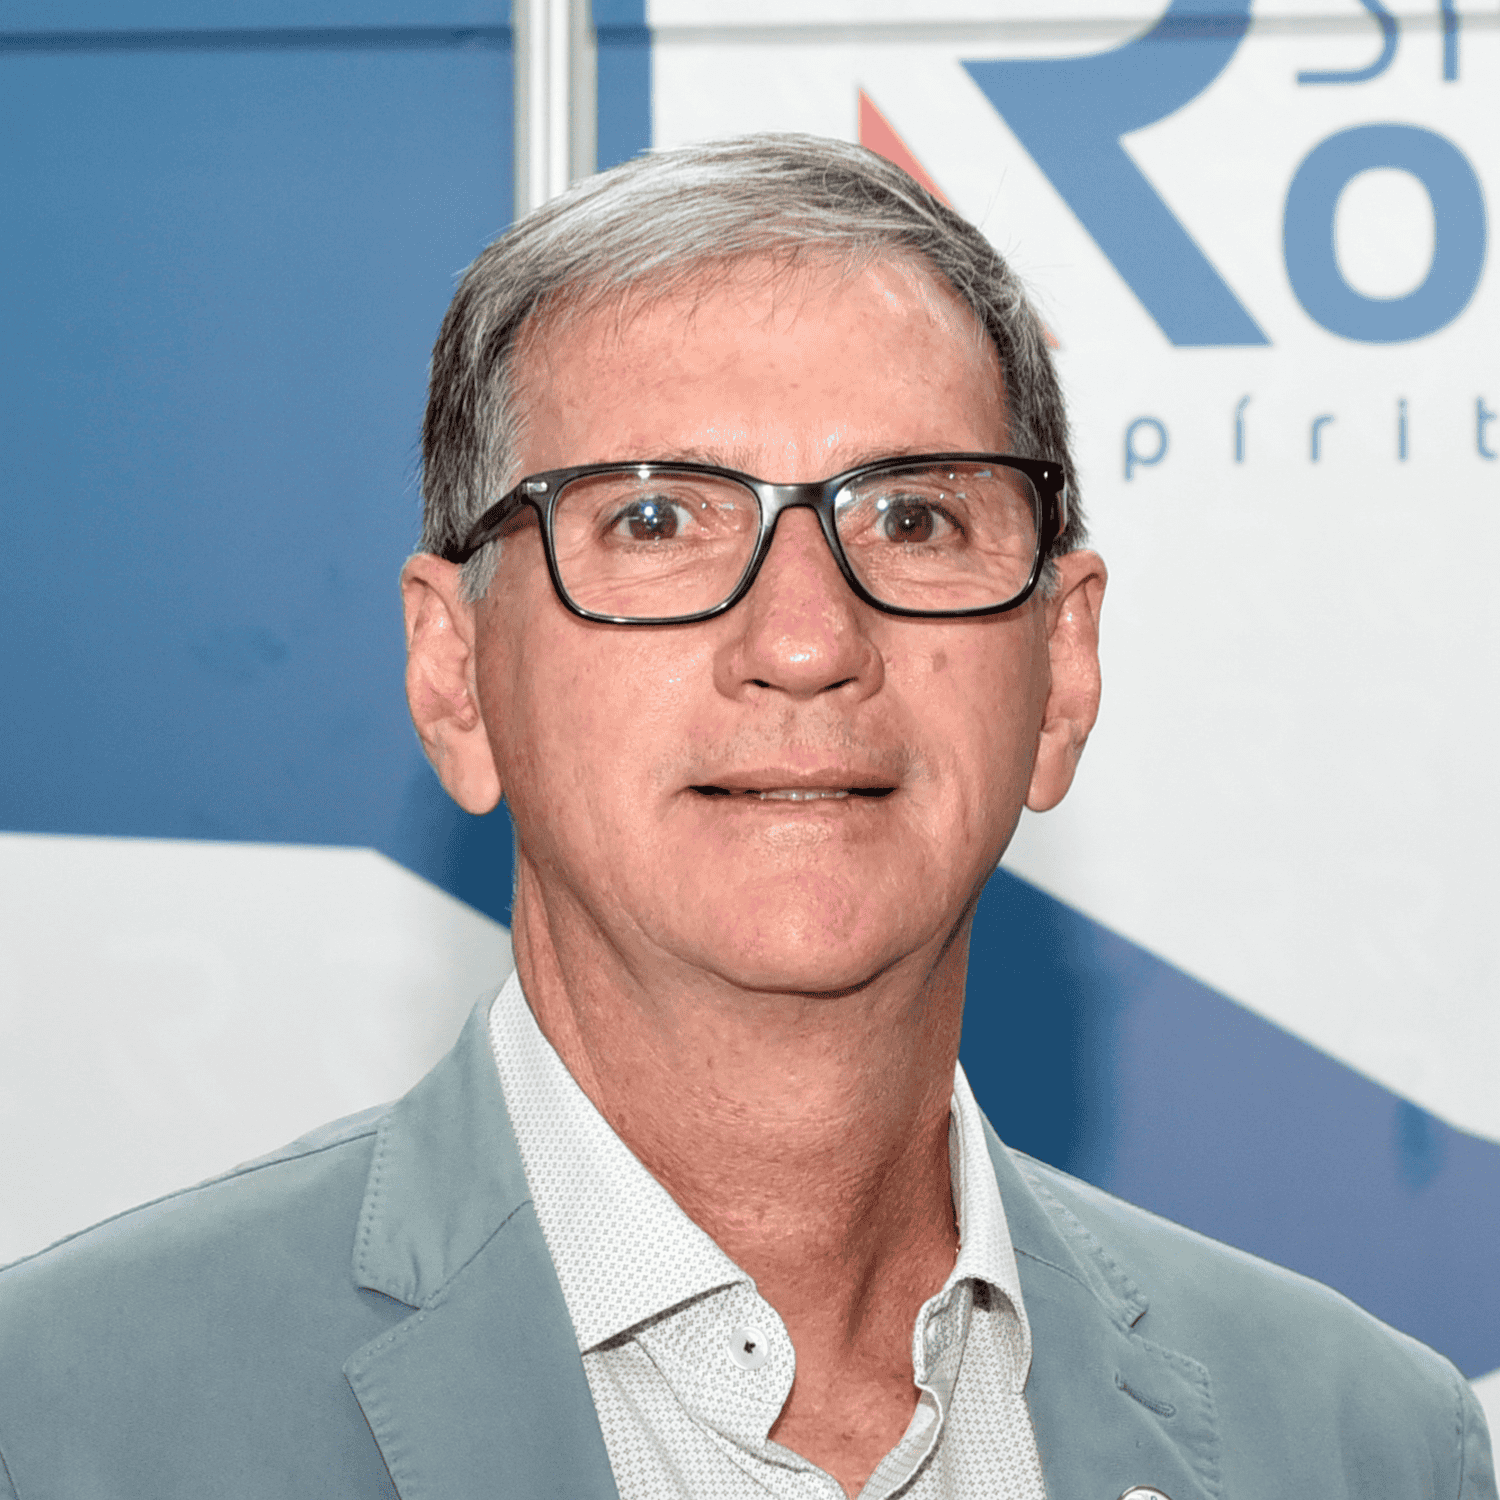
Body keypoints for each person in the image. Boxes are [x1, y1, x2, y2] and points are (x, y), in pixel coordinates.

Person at [0, 135, 1490, 1500]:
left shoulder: (1366, 1447)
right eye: (654, 517)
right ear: (455, 675)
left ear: (1063, 670)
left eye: (914, 516)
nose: (806, 639)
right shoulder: (66, 1422)